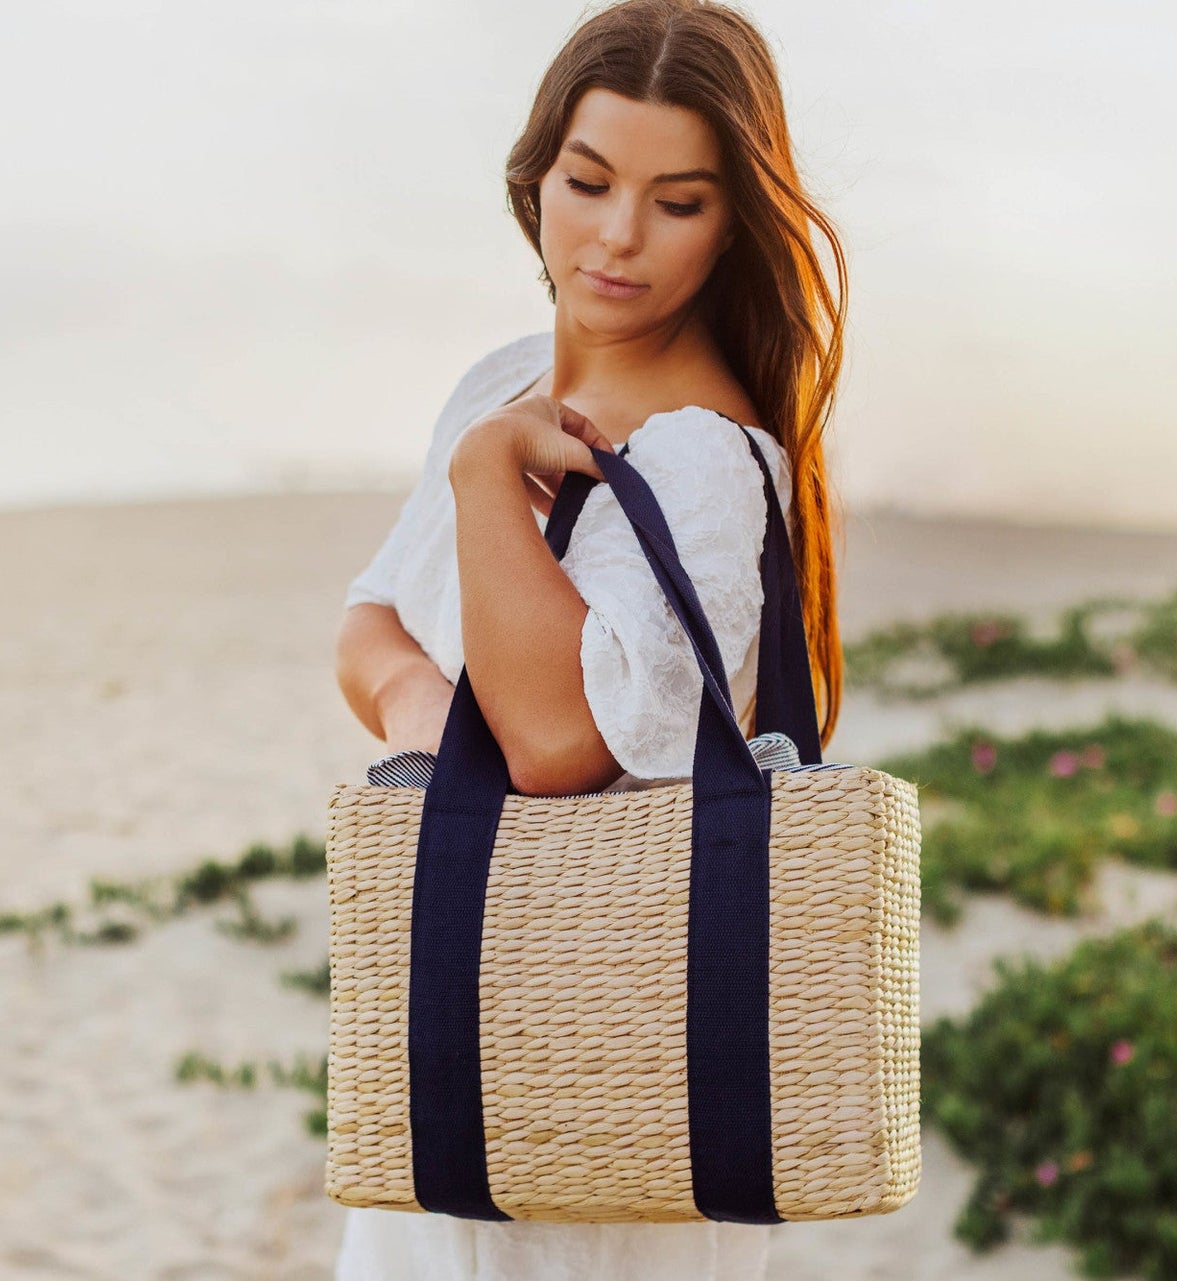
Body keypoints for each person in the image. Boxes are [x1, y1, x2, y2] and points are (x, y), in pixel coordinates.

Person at [330, 0, 848, 1274]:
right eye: (590, 180)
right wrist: (428, 718)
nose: (619, 237)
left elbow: (558, 741)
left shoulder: (704, 459)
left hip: (612, 1069)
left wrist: (485, 479)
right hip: (473, 1035)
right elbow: (369, 627)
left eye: (680, 202)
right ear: (536, 178)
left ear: (736, 224)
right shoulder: (497, 383)